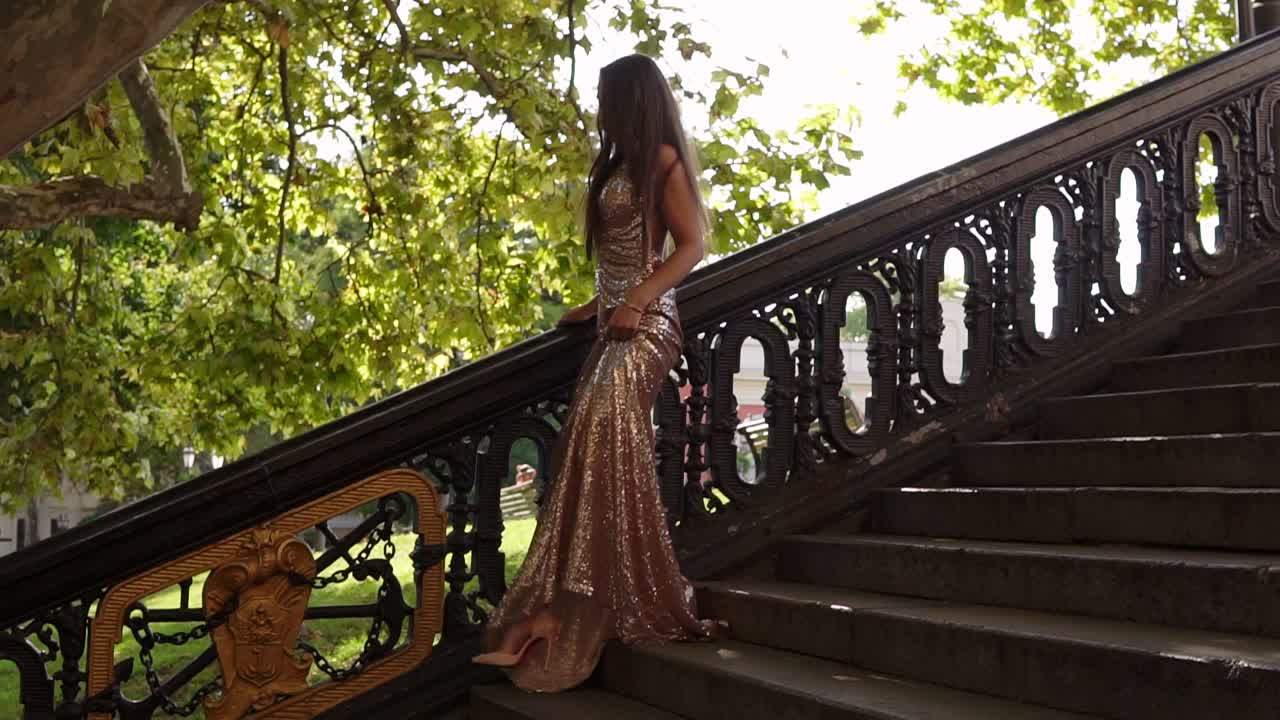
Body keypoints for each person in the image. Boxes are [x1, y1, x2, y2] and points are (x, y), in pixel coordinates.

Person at [470, 53, 724, 691]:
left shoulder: (664, 159)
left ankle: (578, 608)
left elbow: (691, 245)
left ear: (633, 99)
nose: (599, 108)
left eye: (608, 97)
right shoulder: (615, 163)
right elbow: (616, 250)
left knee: (601, 424)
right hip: (616, 320)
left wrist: (636, 301)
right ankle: (562, 608)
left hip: (650, 325)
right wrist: (599, 303)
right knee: (587, 439)